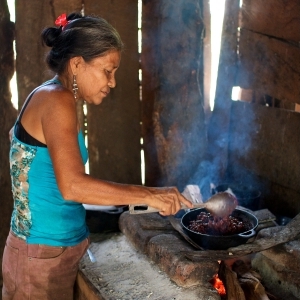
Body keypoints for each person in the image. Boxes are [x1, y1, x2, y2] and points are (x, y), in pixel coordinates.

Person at [2, 12, 193, 300]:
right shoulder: (57, 100)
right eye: (107, 70)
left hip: (53, 251)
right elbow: (73, 186)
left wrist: (153, 193)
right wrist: (148, 196)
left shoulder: (51, 95)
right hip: (38, 260)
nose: (112, 82)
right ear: (77, 64)